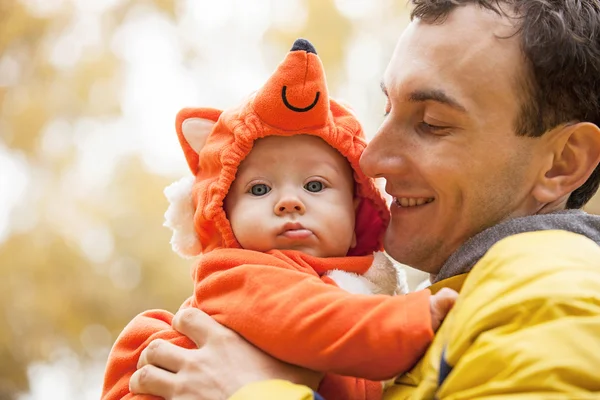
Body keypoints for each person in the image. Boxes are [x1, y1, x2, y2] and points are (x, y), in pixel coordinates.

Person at [127, 0, 600, 399]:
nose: (370, 160)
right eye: (388, 108)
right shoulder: (458, 302)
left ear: (561, 163)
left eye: (431, 123)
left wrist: (249, 390)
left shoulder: (555, 296)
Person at [101, 39, 458, 400]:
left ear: (357, 211)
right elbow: (315, 322)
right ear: (225, 217)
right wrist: (416, 319)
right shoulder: (240, 275)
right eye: (259, 190)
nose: (288, 202)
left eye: (315, 185)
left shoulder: (355, 283)